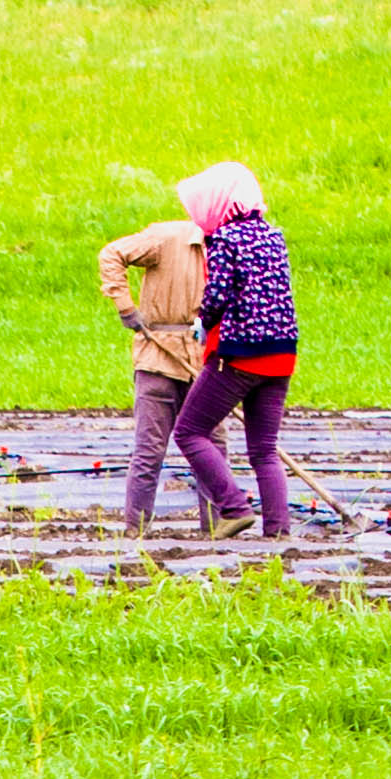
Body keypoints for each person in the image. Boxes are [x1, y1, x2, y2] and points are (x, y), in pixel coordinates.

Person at [95, 192, 244, 534]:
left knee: (213, 447)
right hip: (157, 354)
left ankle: (217, 527)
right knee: (149, 449)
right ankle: (136, 529)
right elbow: (112, 254)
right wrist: (126, 307)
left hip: (207, 361)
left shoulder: (231, 250)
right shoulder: (166, 237)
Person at [175, 155, 298, 542]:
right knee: (264, 449)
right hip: (282, 356)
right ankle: (277, 531)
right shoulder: (274, 236)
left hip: (240, 354)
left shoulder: (227, 239)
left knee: (190, 431)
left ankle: (234, 507)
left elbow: (217, 295)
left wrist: (202, 323)